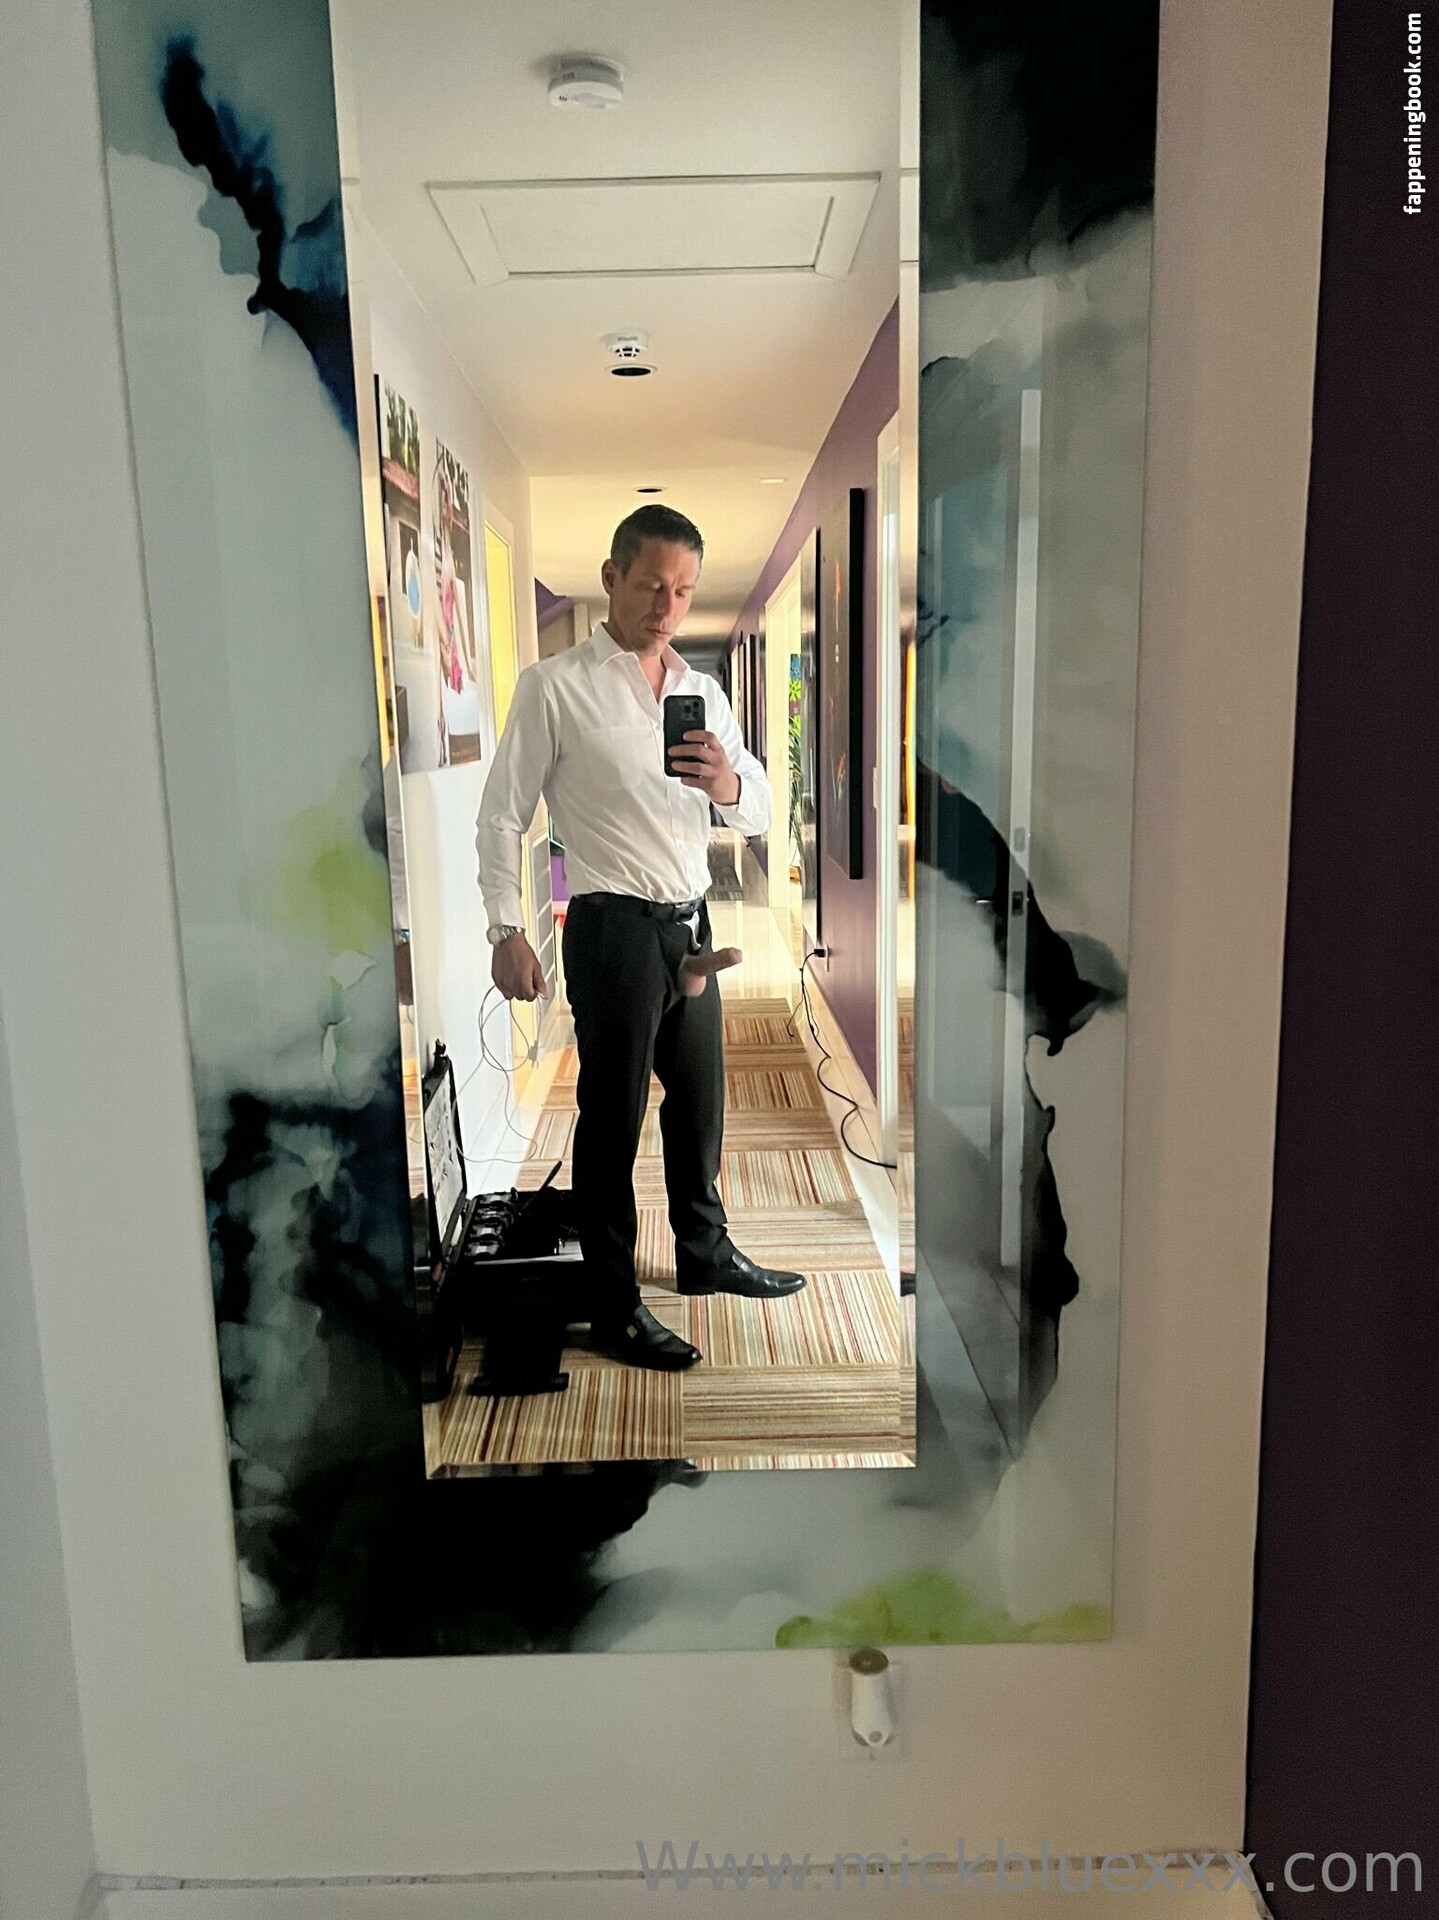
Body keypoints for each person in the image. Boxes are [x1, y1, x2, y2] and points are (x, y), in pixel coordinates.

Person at [476, 506, 805, 1371]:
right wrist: (504, 928)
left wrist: (727, 782)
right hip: (612, 931)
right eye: (653, 585)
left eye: (684, 591)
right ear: (612, 578)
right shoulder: (555, 687)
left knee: (699, 1105)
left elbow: (759, 807)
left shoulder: (702, 693)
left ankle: (703, 1253)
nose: (668, 607)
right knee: (611, 1121)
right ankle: (613, 1302)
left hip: (691, 924)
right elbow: (501, 815)